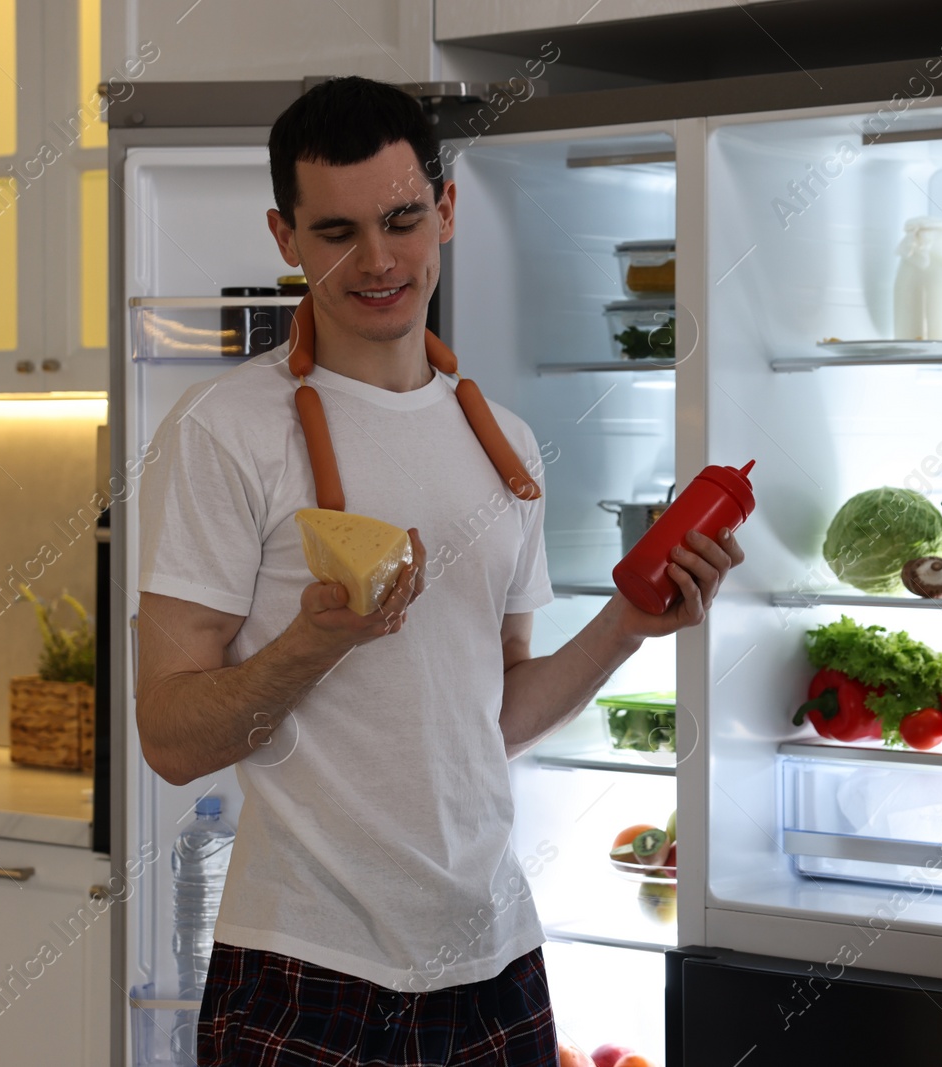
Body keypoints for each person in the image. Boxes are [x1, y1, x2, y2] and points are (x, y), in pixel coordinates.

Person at [136, 75, 743, 1067]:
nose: (378, 261)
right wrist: (308, 646)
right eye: (335, 233)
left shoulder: (504, 444)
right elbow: (168, 736)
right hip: (302, 963)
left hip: (493, 955)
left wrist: (630, 621)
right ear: (285, 238)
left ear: (446, 211)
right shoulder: (224, 432)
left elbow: (489, 716)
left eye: (403, 219)